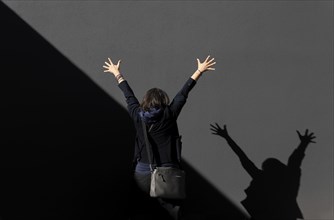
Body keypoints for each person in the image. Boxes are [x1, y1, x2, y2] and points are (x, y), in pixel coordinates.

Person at [103, 55, 216, 220]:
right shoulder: (169, 114)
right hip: (167, 171)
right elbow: (183, 94)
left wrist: (117, 73)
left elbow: (129, 96)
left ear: (145, 101)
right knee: (171, 212)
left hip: (142, 171)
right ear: (163, 101)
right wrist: (199, 71)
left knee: (142, 210)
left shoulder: (137, 114)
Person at [210, 123, 316, 220]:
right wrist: (303, 144)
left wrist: (227, 138)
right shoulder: (286, 178)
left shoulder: (272, 178)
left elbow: (243, 159)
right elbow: (294, 161)